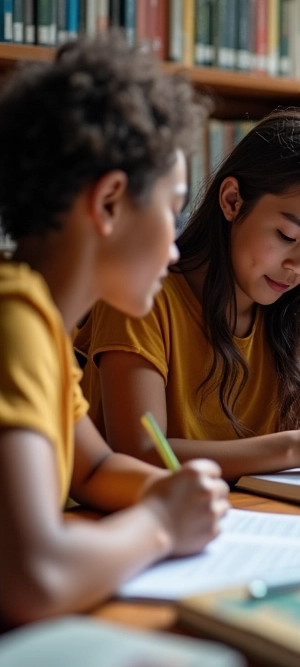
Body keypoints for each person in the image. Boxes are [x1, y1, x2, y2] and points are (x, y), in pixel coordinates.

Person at [0, 34, 230, 625]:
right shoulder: (13, 319)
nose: (176, 250)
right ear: (108, 203)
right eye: (172, 208)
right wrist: (161, 524)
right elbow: (34, 580)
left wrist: (170, 494)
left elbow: (95, 468)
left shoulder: (40, 323)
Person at [75, 107, 300, 481]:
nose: (298, 267)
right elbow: (140, 453)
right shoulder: (142, 299)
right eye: (287, 236)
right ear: (233, 201)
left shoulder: (298, 309)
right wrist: (297, 448)